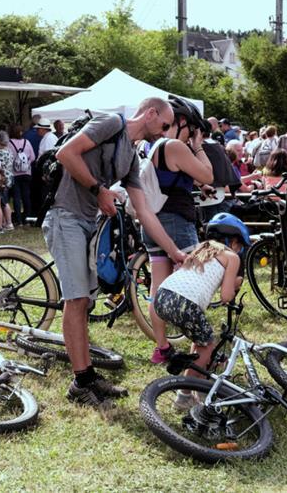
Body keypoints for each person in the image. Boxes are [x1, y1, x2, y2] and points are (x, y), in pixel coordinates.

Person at [43, 97, 187, 409]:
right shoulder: (111, 123)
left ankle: (86, 376)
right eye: (164, 125)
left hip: (87, 222)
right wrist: (99, 190)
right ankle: (81, 383)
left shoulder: (132, 157)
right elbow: (65, 153)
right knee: (76, 300)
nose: (165, 133)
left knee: (84, 302)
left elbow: (145, 212)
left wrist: (174, 252)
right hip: (65, 217)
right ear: (150, 113)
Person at [153, 214, 249, 409]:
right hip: (186, 304)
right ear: (233, 241)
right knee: (207, 346)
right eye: (240, 246)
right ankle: (184, 395)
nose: (239, 250)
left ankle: (194, 378)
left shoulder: (201, 248)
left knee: (200, 339)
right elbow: (226, 296)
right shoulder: (232, 257)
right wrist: (235, 284)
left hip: (162, 296)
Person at [145, 96, 214, 365]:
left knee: (158, 289)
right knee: (193, 287)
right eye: (192, 130)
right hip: (176, 223)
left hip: (153, 223)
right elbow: (208, 174)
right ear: (182, 122)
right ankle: (203, 349)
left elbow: (172, 178)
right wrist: (198, 147)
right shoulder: (175, 146)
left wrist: (198, 186)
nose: (193, 135)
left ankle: (162, 347)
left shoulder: (154, 146)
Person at [199, 120, 235, 221]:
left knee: (209, 224)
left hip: (206, 194)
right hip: (220, 192)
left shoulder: (199, 147)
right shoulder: (219, 146)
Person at [9, 123, 36, 226]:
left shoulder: (9, 143)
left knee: (16, 197)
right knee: (26, 196)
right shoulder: (27, 142)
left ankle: (18, 220)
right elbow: (33, 157)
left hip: (14, 174)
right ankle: (27, 219)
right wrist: (27, 164)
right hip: (26, 173)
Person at [0, 130, 15, 231]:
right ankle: (5, 222)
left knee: (4, 202)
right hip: (9, 178)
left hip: (2, 180)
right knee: (4, 201)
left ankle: (9, 223)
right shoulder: (9, 151)